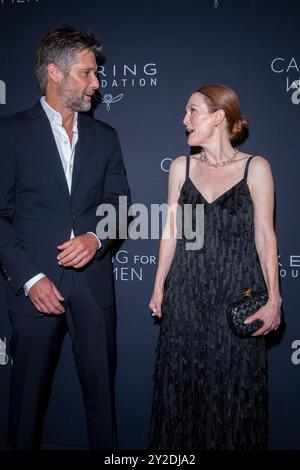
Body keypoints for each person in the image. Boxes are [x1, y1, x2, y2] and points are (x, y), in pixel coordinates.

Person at [0, 26, 130, 450]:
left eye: (96, 74)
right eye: (87, 73)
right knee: (25, 410)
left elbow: (121, 205)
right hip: (36, 286)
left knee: (103, 406)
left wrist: (95, 238)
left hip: (93, 286)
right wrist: (31, 279)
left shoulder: (105, 137)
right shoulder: (10, 133)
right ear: (54, 73)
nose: (97, 83)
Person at [148, 84, 281, 450]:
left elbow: (266, 236)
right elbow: (170, 233)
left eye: (192, 111)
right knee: (182, 393)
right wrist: (159, 285)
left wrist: (275, 298)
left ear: (218, 116)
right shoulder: (181, 167)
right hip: (185, 298)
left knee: (234, 394)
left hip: (235, 295)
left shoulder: (256, 168)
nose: (184, 119)